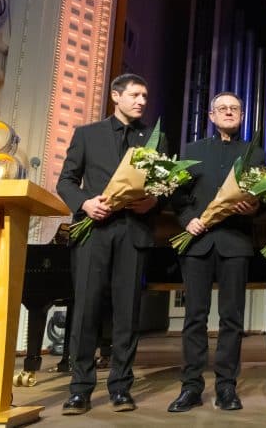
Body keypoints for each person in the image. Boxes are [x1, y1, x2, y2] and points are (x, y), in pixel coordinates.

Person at [57, 73, 164, 415]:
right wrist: (85, 203)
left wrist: (152, 202)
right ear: (116, 96)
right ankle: (79, 389)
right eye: (135, 94)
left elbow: (163, 187)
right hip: (94, 230)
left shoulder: (154, 138)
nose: (142, 101)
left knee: (127, 313)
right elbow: (66, 181)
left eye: (145, 96)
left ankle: (121, 387)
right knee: (86, 311)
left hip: (133, 231)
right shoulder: (87, 134)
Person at [167, 92, 263, 413]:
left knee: (231, 318)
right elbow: (177, 196)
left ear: (242, 115)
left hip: (235, 242)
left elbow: (259, 199)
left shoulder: (254, 153)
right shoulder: (192, 151)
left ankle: (226, 386)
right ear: (211, 115)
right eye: (222, 108)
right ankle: (191, 386)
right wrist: (188, 219)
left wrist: (252, 208)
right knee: (194, 317)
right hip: (198, 242)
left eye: (235, 109)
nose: (229, 112)